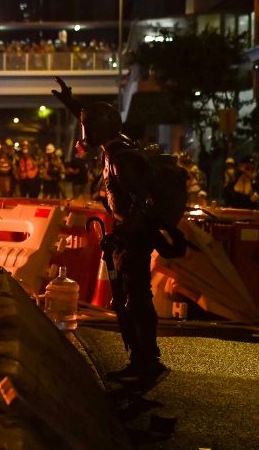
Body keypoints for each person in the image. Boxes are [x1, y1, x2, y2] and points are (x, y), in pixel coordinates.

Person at [52, 76, 187, 393]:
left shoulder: (121, 158)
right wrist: (74, 104)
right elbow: (99, 123)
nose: (85, 134)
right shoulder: (116, 144)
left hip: (134, 235)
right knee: (132, 297)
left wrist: (122, 235)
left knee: (136, 299)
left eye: (88, 128)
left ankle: (146, 363)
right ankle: (142, 361)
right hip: (131, 232)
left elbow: (141, 201)